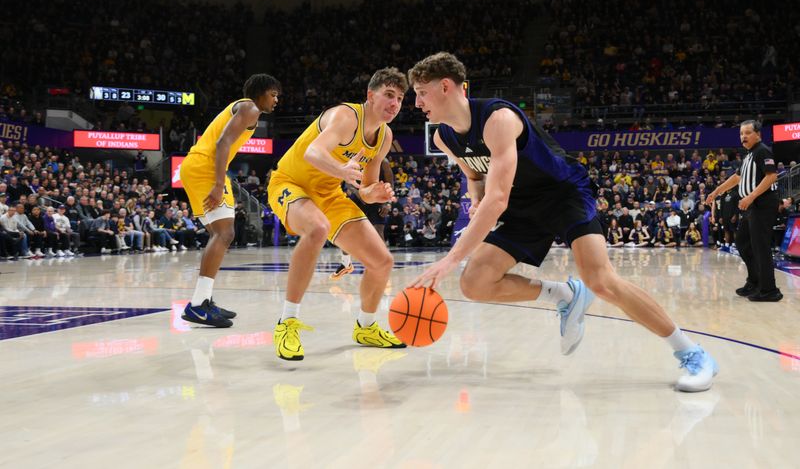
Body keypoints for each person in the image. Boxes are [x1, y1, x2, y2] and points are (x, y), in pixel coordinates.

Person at [408, 52, 717, 392]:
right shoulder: (442, 136)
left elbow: (498, 200)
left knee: (601, 280)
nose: (418, 101)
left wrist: (451, 258)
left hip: (562, 193)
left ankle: (692, 354)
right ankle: (564, 295)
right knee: (475, 282)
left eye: (421, 91)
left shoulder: (498, 118)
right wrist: (476, 195)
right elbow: (474, 174)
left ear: (446, 87)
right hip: (523, 205)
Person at [267, 67, 407, 361]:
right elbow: (313, 153)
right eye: (389, 95)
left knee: (382, 261)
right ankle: (286, 323)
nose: (394, 104)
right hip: (290, 183)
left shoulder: (383, 136)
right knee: (317, 229)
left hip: (329, 193)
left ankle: (366, 326)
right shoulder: (345, 117)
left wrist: (374, 193)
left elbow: (364, 188)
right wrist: (341, 171)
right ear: (371, 96)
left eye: (400, 99)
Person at [179, 74, 281, 327]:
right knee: (225, 234)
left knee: (219, 233)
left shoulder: (245, 108)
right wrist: (217, 184)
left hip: (197, 166)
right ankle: (199, 306)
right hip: (205, 168)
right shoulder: (250, 107)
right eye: (274, 94)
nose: (277, 99)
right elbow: (223, 142)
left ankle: (203, 299)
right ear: (260, 93)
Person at [706, 120, 782, 301]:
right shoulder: (749, 155)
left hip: (762, 204)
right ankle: (754, 281)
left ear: (758, 134)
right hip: (751, 206)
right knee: (742, 243)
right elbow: (737, 177)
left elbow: (772, 176)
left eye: (748, 133)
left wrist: (751, 197)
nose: (744, 136)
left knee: (759, 246)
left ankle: (769, 290)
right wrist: (717, 191)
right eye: (741, 133)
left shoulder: (762, 150)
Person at [330, 158, 393, 280]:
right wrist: (360, 194)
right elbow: (348, 182)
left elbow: (390, 182)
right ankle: (345, 263)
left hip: (376, 197)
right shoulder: (356, 158)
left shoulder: (383, 161)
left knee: (378, 231)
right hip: (358, 198)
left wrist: (388, 202)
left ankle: (382, 265)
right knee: (344, 229)